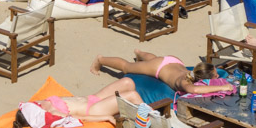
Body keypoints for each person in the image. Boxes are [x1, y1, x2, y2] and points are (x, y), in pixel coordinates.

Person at [14, 76, 144, 128]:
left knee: (128, 82)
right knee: (133, 95)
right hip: (93, 109)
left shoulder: (40, 103)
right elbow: (80, 117)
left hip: (93, 98)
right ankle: (154, 126)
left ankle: (135, 117)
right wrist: (107, 117)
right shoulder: (52, 114)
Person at [90, 50, 228, 95]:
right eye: (215, 75)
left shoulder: (195, 73)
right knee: (127, 67)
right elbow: (194, 90)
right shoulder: (184, 81)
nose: (217, 76)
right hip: (160, 67)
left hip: (174, 62)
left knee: (153, 60)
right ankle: (100, 60)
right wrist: (222, 87)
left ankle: (140, 53)